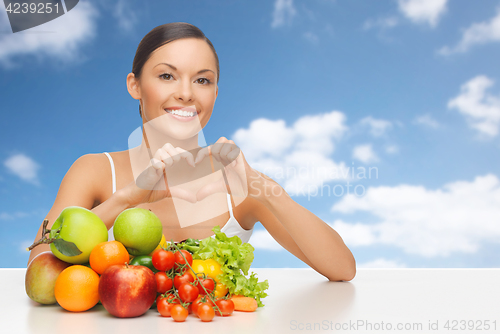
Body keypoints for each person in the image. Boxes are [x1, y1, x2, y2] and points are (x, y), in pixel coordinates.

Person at [27, 22, 356, 281]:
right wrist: (127, 199)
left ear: (215, 92)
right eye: (167, 76)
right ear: (135, 86)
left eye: (202, 80)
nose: (185, 93)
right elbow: (41, 266)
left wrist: (262, 187)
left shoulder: (239, 183)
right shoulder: (95, 171)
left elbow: (342, 269)